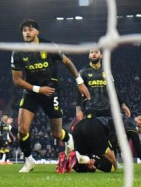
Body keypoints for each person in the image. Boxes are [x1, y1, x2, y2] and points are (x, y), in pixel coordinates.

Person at [11, 19, 90, 173]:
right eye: (24, 30)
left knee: (56, 133)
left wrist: (79, 81)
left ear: (37, 32)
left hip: (51, 91)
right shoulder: (18, 52)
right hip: (32, 91)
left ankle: (69, 140)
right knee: (22, 129)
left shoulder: (48, 45)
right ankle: (29, 161)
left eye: (30, 29)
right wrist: (37, 89)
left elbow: (67, 62)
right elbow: (17, 80)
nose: (27, 32)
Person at [68, 105, 141, 173]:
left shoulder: (122, 134)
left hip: (79, 128)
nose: (140, 123)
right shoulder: (130, 122)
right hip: (95, 128)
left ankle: (74, 157)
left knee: (84, 168)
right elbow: (138, 146)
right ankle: (72, 145)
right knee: (113, 166)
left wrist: (93, 165)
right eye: (140, 119)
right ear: (135, 118)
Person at [76, 49, 117, 120]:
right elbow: (79, 92)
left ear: (101, 55)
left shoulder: (107, 71)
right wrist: (78, 110)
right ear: (89, 56)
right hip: (90, 108)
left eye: (96, 52)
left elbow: (113, 89)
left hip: (106, 108)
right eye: (91, 52)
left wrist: (122, 104)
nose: (93, 54)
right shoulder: (83, 71)